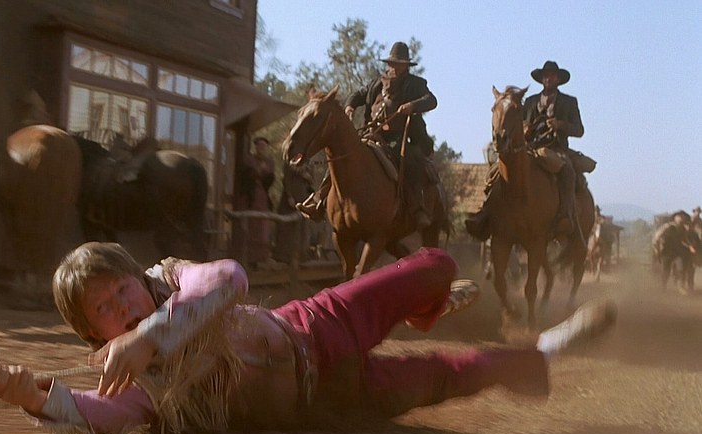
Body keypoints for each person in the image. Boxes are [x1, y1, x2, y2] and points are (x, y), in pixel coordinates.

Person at [0, 241, 616, 434]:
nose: (121, 306)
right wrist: (37, 398)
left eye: (120, 289)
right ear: (92, 334)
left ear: (136, 276)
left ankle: (425, 308)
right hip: (332, 396)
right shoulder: (134, 381)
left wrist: (150, 335)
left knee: (437, 264)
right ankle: (543, 352)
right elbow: (100, 415)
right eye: (103, 309)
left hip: (317, 321)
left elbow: (230, 279)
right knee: (452, 375)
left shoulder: (172, 280)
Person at [296, 41, 438, 230]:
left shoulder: (416, 84)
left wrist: (412, 106)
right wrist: (350, 106)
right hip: (372, 134)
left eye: (398, 63)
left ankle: (417, 207)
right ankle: (319, 199)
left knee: (410, 159)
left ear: (406, 65)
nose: (394, 67)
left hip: (400, 137)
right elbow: (357, 95)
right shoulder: (376, 83)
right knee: (342, 156)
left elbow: (431, 100)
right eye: (392, 63)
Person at [466, 61, 585, 240]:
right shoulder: (530, 102)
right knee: (496, 171)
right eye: (546, 75)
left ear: (558, 79)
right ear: (542, 79)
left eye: (552, 75)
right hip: (528, 148)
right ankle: (486, 212)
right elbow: (516, 123)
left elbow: (579, 130)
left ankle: (565, 215)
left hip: (555, 148)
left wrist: (560, 124)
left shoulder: (569, 102)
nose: (549, 78)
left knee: (567, 171)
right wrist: (525, 128)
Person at [233, 136, 276, 268]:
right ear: (256, 147)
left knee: (262, 228)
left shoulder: (269, 162)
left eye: (264, 146)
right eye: (259, 146)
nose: (262, 148)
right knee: (250, 228)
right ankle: (247, 258)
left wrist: (264, 173)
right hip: (249, 198)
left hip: (262, 198)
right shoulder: (249, 160)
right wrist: (256, 172)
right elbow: (244, 178)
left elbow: (270, 180)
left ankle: (260, 258)